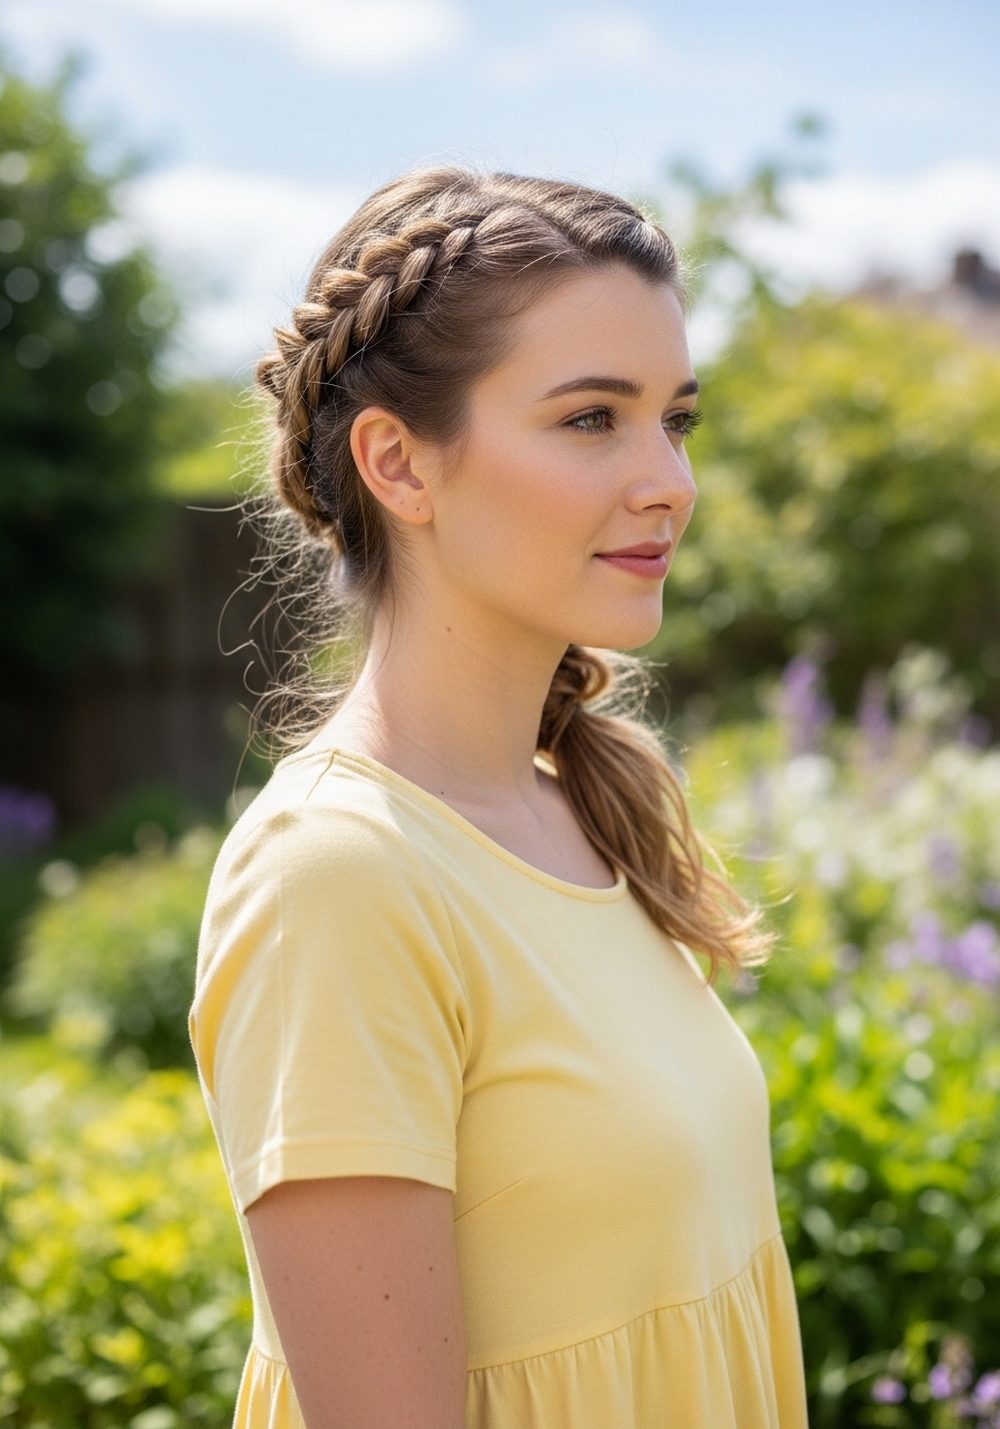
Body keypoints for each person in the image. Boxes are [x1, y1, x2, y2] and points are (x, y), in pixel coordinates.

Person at [187, 164, 809, 1429]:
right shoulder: (340, 877)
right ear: (399, 468)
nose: (668, 482)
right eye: (592, 419)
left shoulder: (572, 811)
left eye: (673, 420)